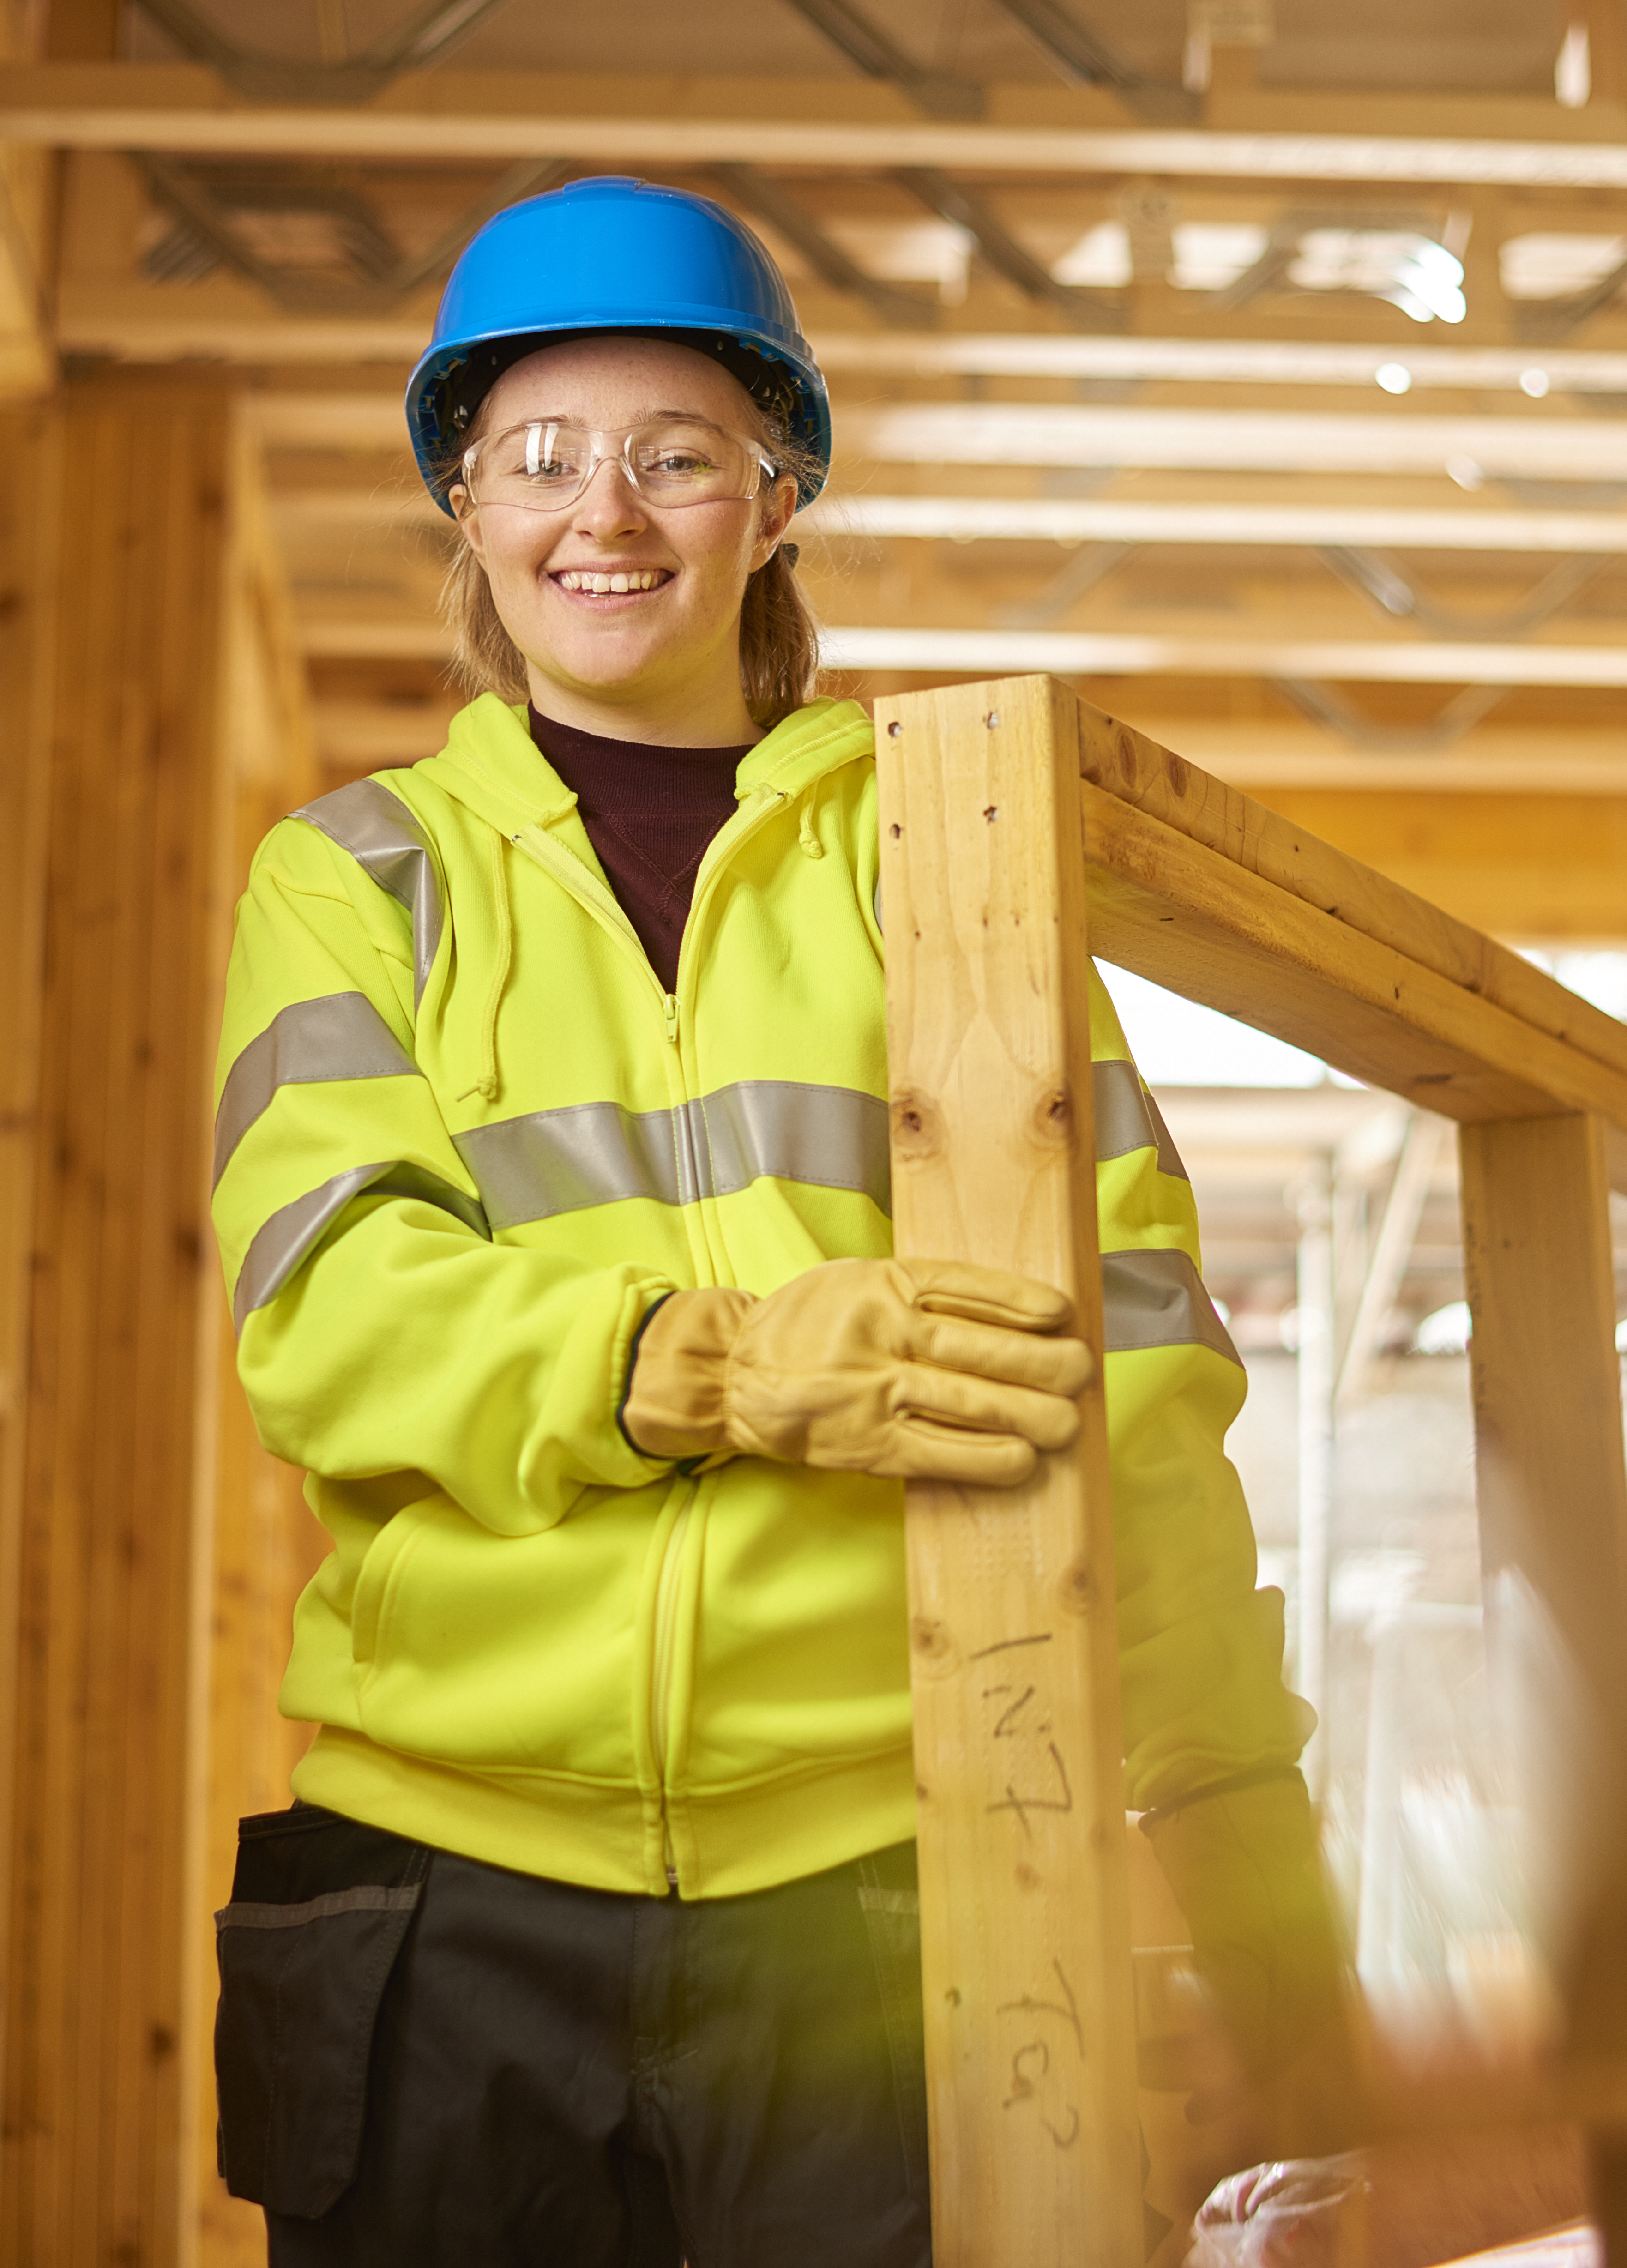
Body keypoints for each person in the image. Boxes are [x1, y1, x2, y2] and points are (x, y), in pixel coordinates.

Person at [204, 176, 1349, 2264]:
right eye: (538, 458)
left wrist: (1262, 1906)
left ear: (778, 490)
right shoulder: (355, 881)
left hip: (886, 1895)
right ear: (464, 504)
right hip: (443, 1899)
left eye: (676, 454)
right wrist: (704, 1364)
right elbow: (331, 1312)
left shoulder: (957, 873)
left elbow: (1148, 1397)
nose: (603, 513)